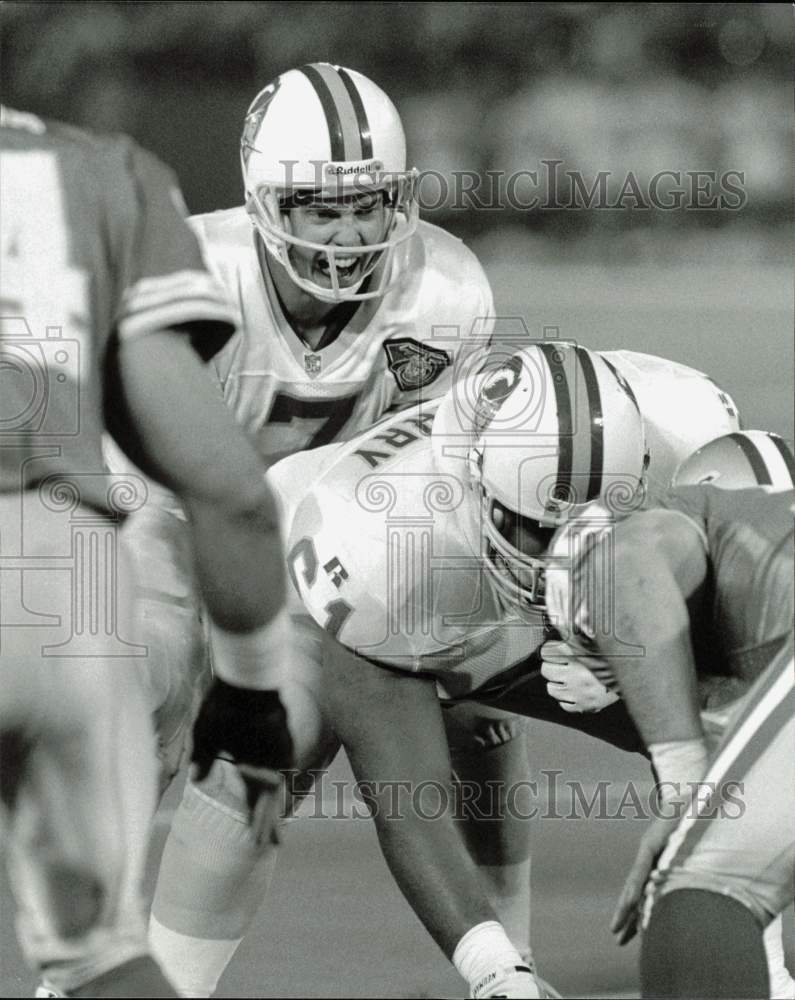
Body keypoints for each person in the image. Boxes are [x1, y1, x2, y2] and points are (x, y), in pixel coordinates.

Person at [148, 341, 748, 998]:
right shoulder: (379, 548)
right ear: (477, 487)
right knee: (266, 760)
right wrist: (489, 968)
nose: (563, 554)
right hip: (333, 569)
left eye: (595, 520)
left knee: (741, 740)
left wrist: (648, 668)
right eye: (535, 530)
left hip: (473, 584)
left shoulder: (692, 434)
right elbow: (408, 798)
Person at [0, 107, 291, 998]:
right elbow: (230, 488)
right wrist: (248, 689)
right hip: (59, 578)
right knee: (100, 960)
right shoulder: (98, 169)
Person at [543, 484, 794, 999]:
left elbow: (622, 571)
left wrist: (684, 789)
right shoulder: (759, 539)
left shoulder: (632, 541)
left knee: (700, 885)